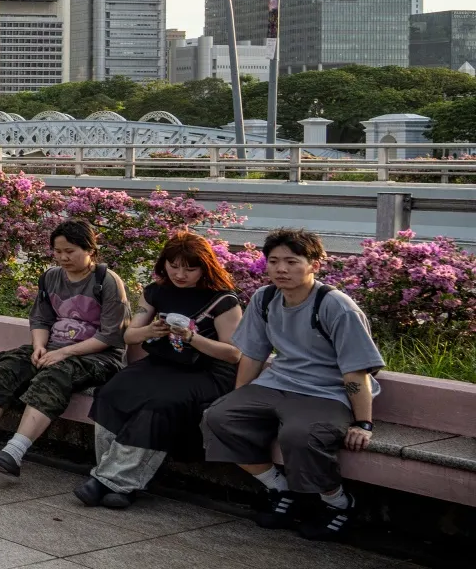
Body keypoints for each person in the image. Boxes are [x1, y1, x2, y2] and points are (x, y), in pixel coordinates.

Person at [201, 228, 383, 540]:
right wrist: (239, 397)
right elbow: (253, 354)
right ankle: (280, 488)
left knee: (301, 436)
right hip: (277, 384)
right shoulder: (265, 298)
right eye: (274, 262)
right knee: (218, 417)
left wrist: (363, 423)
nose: (281, 269)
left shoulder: (336, 306)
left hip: (325, 392)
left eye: (292, 261)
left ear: (314, 265)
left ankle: (339, 504)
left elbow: (356, 371)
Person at [0, 220, 129, 475]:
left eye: (70, 251)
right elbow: (41, 320)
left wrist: (62, 353)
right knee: (7, 368)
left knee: (55, 375)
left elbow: (111, 336)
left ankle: (14, 452)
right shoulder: (51, 277)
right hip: (53, 348)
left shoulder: (107, 281)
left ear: (90, 249)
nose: (63, 258)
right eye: (58, 251)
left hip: (98, 357)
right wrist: (39, 347)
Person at [78, 232, 243, 509]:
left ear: (205, 267)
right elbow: (130, 335)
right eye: (173, 266)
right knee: (111, 392)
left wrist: (192, 338)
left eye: (190, 269)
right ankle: (115, 481)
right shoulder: (156, 291)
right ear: (163, 263)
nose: (180, 274)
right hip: (162, 363)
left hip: (206, 372)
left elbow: (233, 353)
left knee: (158, 406)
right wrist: (150, 330)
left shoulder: (223, 300)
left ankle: (110, 482)